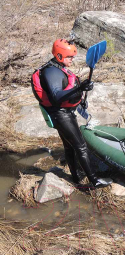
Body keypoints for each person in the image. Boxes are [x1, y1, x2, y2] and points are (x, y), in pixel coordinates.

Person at [31, 39, 113, 188]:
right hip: (60, 115)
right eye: (69, 57)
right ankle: (94, 180)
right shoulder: (51, 72)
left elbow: (67, 90)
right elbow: (56, 96)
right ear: (59, 56)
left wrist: (79, 99)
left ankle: (75, 177)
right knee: (81, 146)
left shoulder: (59, 67)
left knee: (69, 147)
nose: (72, 59)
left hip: (64, 112)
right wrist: (79, 88)